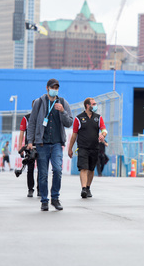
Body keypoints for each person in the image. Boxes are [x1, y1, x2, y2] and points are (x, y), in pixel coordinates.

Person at [27, 79, 73, 211]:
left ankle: (55, 198)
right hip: (42, 144)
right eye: (53, 87)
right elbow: (32, 123)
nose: (55, 89)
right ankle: (44, 200)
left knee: (57, 170)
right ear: (47, 88)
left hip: (57, 143)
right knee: (42, 173)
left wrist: (63, 111)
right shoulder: (39, 102)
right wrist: (30, 141)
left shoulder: (63, 103)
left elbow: (69, 122)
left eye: (57, 88)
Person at [67, 97, 107, 199]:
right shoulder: (78, 118)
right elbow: (74, 135)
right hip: (83, 147)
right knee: (83, 168)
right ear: (87, 106)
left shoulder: (98, 118)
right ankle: (83, 189)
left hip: (94, 147)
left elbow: (104, 129)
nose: (95, 106)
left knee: (91, 169)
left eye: (95, 104)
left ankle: (88, 187)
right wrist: (70, 148)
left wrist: (103, 135)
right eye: (93, 104)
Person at [19, 102, 38, 197]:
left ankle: (40, 189)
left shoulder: (44, 117)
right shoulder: (26, 118)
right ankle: (30, 189)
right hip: (29, 147)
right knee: (30, 168)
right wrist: (20, 146)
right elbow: (22, 132)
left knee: (42, 169)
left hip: (41, 146)